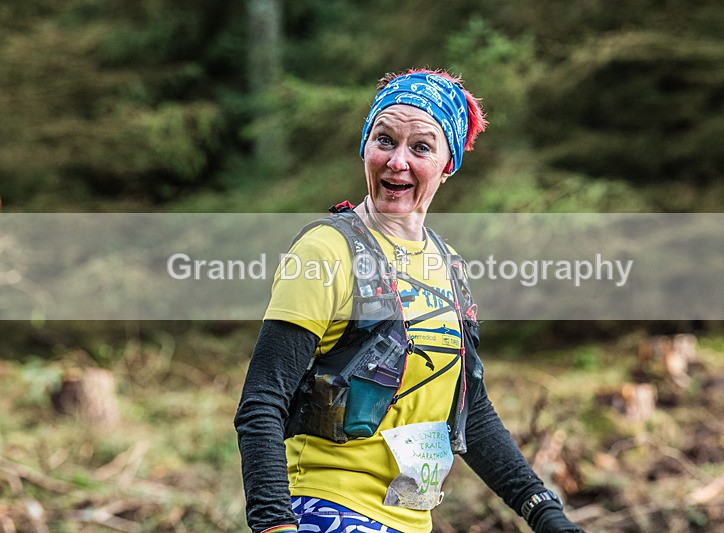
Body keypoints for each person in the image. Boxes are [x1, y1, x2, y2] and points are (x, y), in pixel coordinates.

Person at [234, 69, 584, 533]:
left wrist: (544, 511)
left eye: (420, 147)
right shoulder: (325, 251)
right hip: (323, 508)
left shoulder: (449, 263)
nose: (397, 161)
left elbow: (470, 410)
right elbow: (261, 401)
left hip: (412, 519)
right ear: (365, 147)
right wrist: (274, 524)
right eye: (384, 140)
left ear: (448, 164)